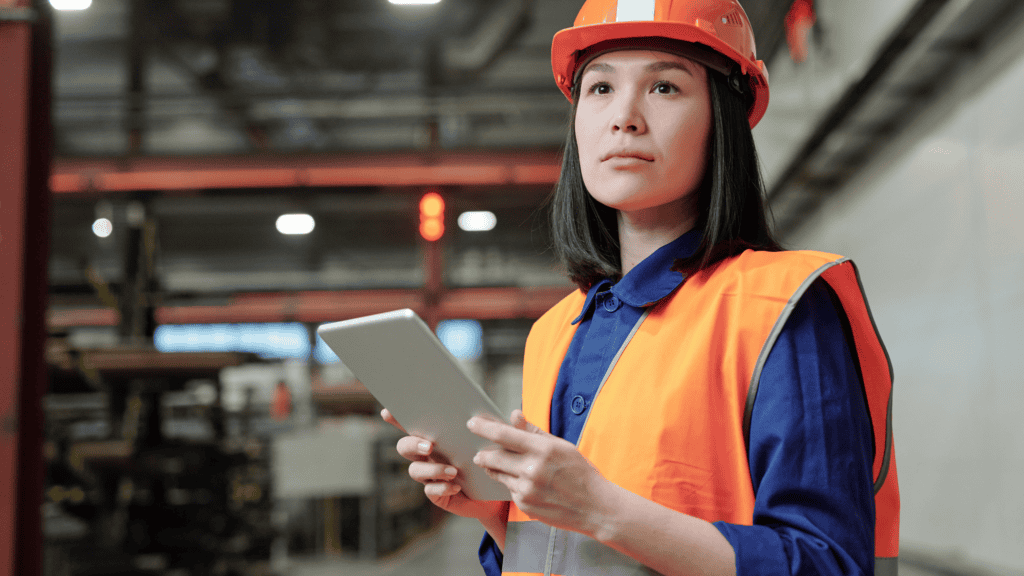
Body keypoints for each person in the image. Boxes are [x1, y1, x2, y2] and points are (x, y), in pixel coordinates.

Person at [383, 1, 900, 575]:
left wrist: (603, 509)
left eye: (664, 87)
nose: (623, 117)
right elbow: (567, 558)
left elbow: (828, 565)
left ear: (721, 119)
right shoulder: (554, 333)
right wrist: (496, 514)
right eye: (600, 89)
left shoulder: (780, 309)